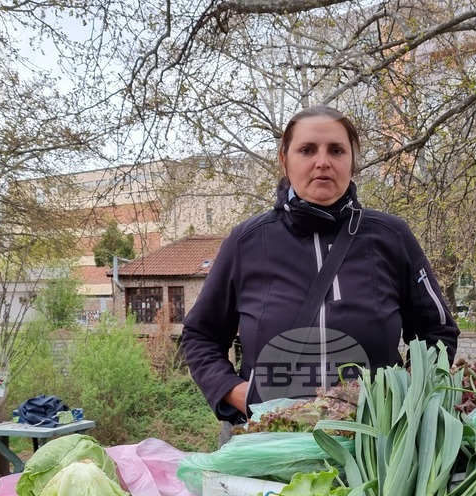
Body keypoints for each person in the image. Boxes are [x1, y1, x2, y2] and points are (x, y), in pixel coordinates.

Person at [181, 105, 459, 427]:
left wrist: (410, 394)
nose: (322, 161)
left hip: (373, 444)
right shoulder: (247, 242)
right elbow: (201, 334)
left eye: (336, 150)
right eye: (307, 150)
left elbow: (437, 331)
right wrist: (236, 393)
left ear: (352, 162)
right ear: (284, 161)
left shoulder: (390, 237)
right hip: (271, 436)